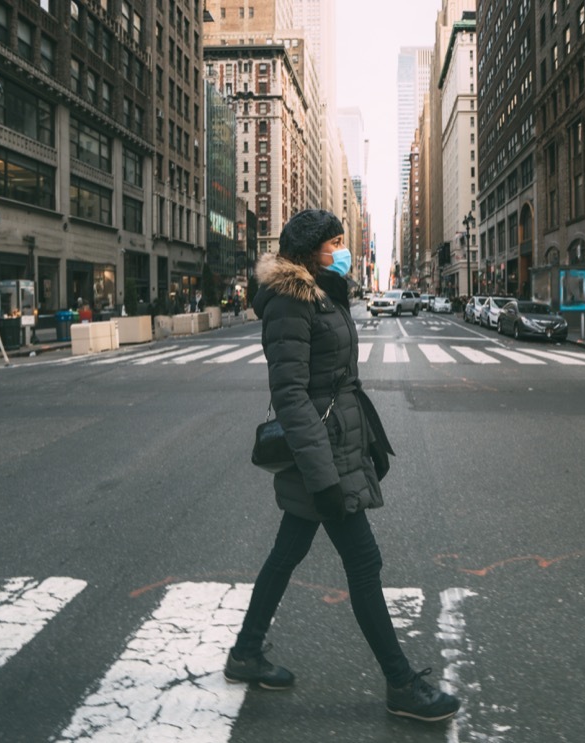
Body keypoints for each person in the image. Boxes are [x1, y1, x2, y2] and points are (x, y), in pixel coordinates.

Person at [226, 209, 460, 723]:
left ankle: (245, 652)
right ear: (310, 250)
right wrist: (324, 476)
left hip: (335, 446)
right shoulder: (291, 301)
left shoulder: (322, 292)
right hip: (322, 456)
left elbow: (338, 381)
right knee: (364, 563)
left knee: (286, 553)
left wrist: (369, 440)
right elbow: (291, 396)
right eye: (334, 242)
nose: (342, 248)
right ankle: (400, 684)